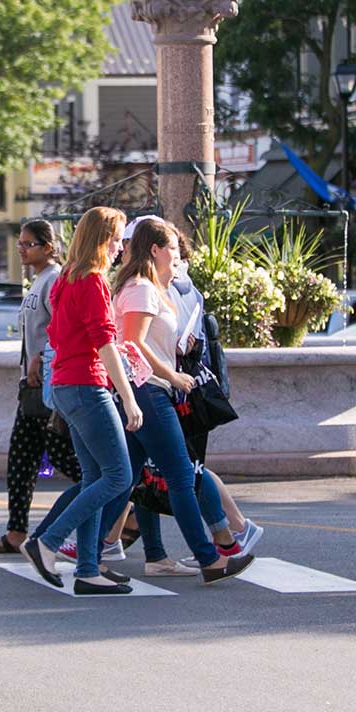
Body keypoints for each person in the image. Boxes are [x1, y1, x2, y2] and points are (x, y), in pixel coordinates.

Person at [109, 217, 253, 582]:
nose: (178, 252)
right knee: (180, 476)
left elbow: (143, 340)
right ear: (155, 249)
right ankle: (211, 559)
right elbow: (133, 343)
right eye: (172, 246)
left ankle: (70, 547)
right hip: (149, 390)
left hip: (144, 390)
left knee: (120, 477)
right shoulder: (141, 288)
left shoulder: (149, 286)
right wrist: (172, 374)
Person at [22, 207, 151, 594]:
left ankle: (88, 568)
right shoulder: (92, 281)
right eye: (114, 241)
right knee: (119, 475)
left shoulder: (65, 278)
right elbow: (104, 343)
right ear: (99, 240)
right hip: (85, 385)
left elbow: (61, 338)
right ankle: (46, 543)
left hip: (67, 385)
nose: (119, 249)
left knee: (95, 477)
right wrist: (129, 398)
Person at [0, 220, 83, 555]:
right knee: (21, 459)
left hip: (50, 386)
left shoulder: (54, 279)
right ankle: (16, 532)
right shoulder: (37, 281)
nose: (21, 249)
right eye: (20, 243)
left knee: (66, 458)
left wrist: (41, 357)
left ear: (48, 247)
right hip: (31, 387)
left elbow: (63, 327)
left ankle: (123, 502)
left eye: (28, 244)